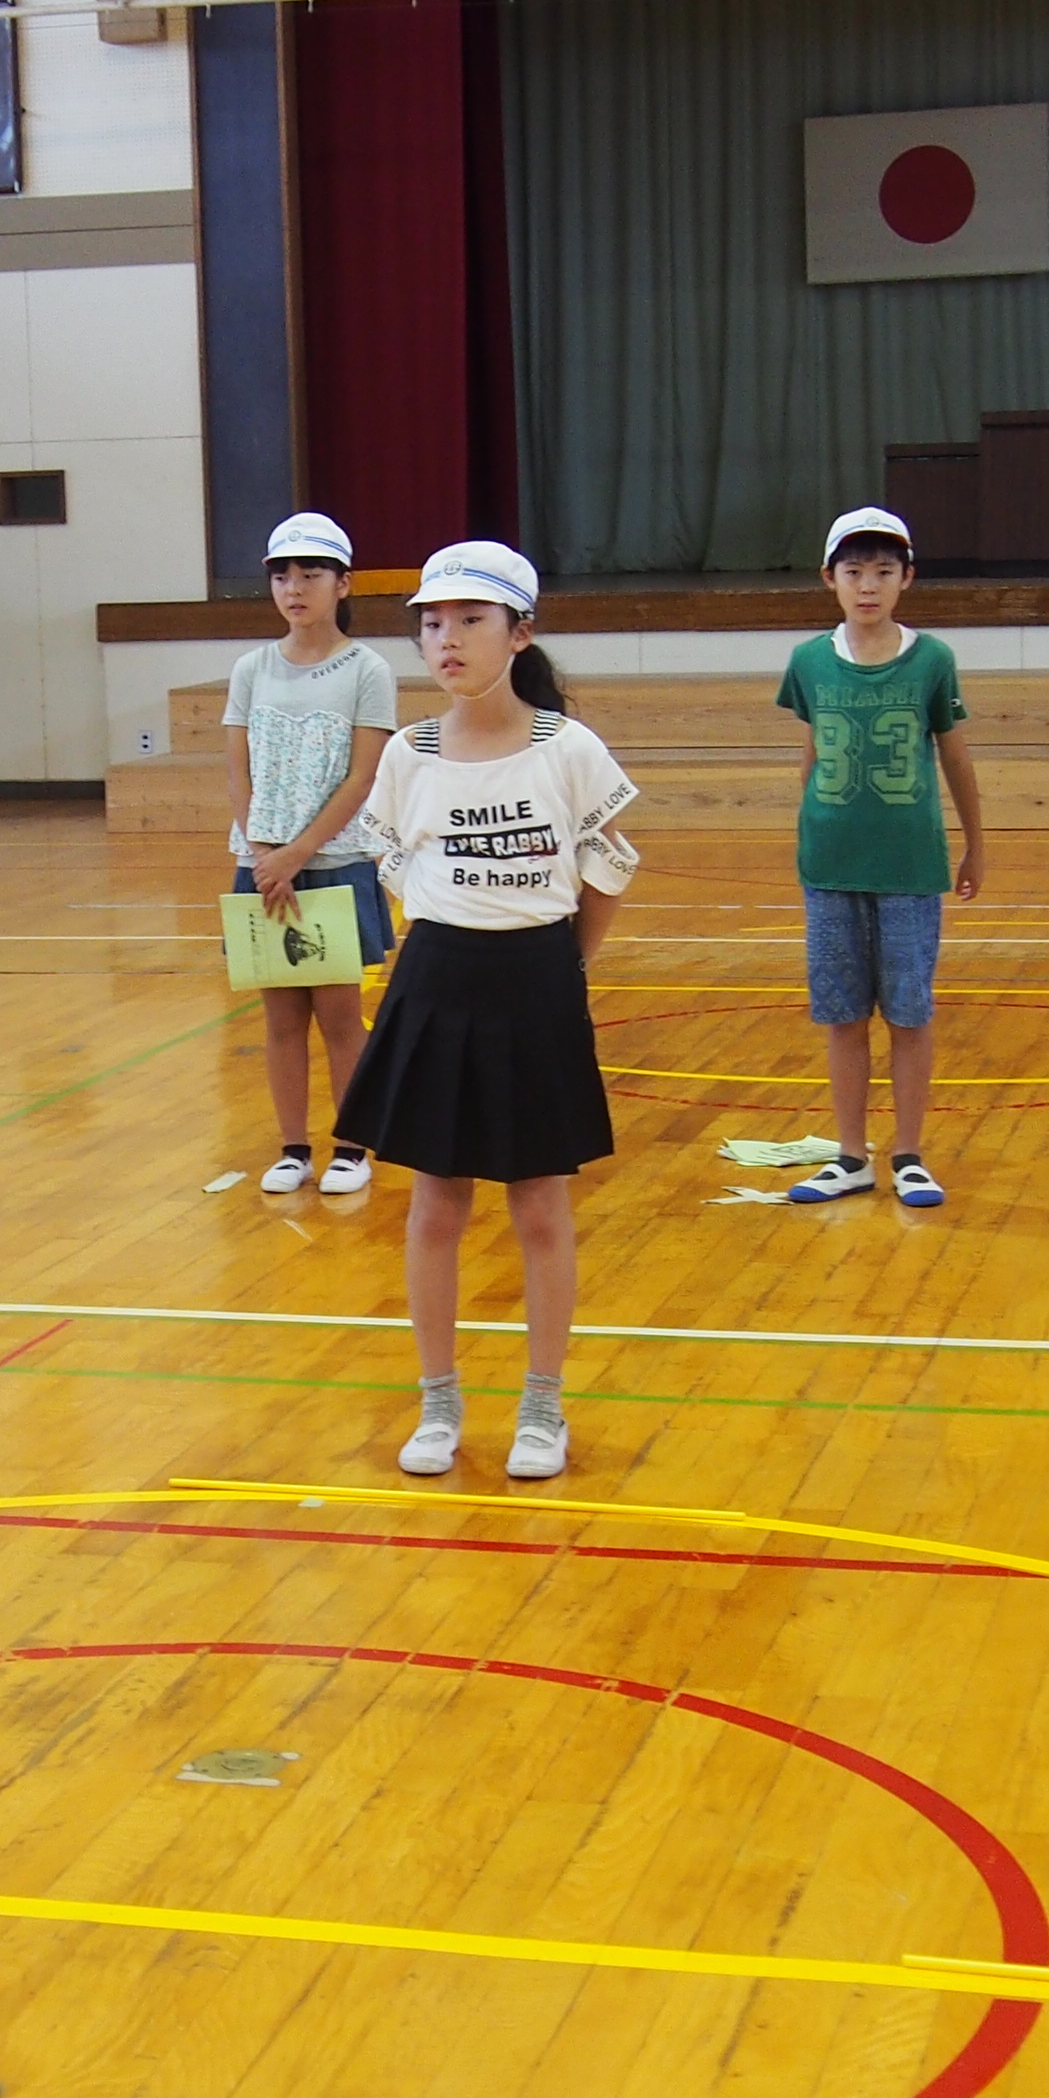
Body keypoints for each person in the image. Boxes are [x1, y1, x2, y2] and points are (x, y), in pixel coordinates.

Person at [327, 541, 638, 1481]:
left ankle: (543, 1408)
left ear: (520, 634)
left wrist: (560, 965)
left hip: (537, 979)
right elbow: (395, 866)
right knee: (435, 1201)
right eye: (432, 623)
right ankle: (438, 1402)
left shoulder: (568, 747)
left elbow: (608, 867)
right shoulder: (408, 754)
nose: (448, 639)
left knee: (539, 1205)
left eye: (470, 620)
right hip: (437, 978)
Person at [777, 506, 984, 1211]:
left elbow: (954, 755)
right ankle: (850, 1156)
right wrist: (808, 836)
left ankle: (910, 1154)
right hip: (830, 867)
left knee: (908, 1012)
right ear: (829, 578)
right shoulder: (809, 661)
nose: (868, 585)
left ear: (907, 579)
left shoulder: (932, 661)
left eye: (884, 571)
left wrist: (976, 843)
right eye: (855, 571)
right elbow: (812, 751)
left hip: (908, 868)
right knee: (841, 1014)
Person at [226, 509, 399, 1198]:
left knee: (338, 1016)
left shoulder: (368, 670)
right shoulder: (251, 668)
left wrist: (297, 852)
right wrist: (264, 853)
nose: (294, 588)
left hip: (331, 864)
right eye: (282, 576)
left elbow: (362, 776)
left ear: (343, 584)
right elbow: (238, 769)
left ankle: (351, 1148)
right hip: (263, 865)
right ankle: (293, 1148)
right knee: (280, 1019)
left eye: (311, 574)